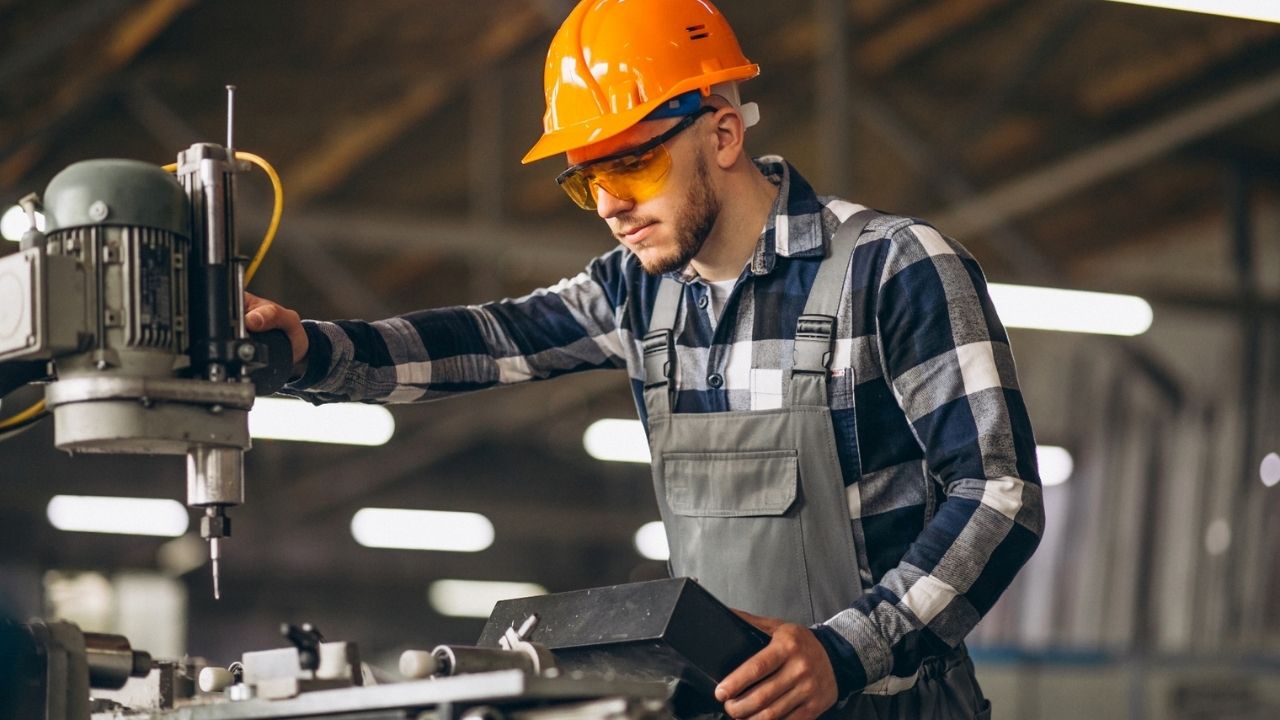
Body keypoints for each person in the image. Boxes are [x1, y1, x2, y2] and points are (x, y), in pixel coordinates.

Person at [248, 1, 1044, 717]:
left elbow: (999, 494)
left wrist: (846, 651)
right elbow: (487, 339)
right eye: (585, 178)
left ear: (723, 133)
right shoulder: (636, 294)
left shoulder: (892, 268)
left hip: (888, 705)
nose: (608, 205)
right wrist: (311, 352)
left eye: (631, 163)